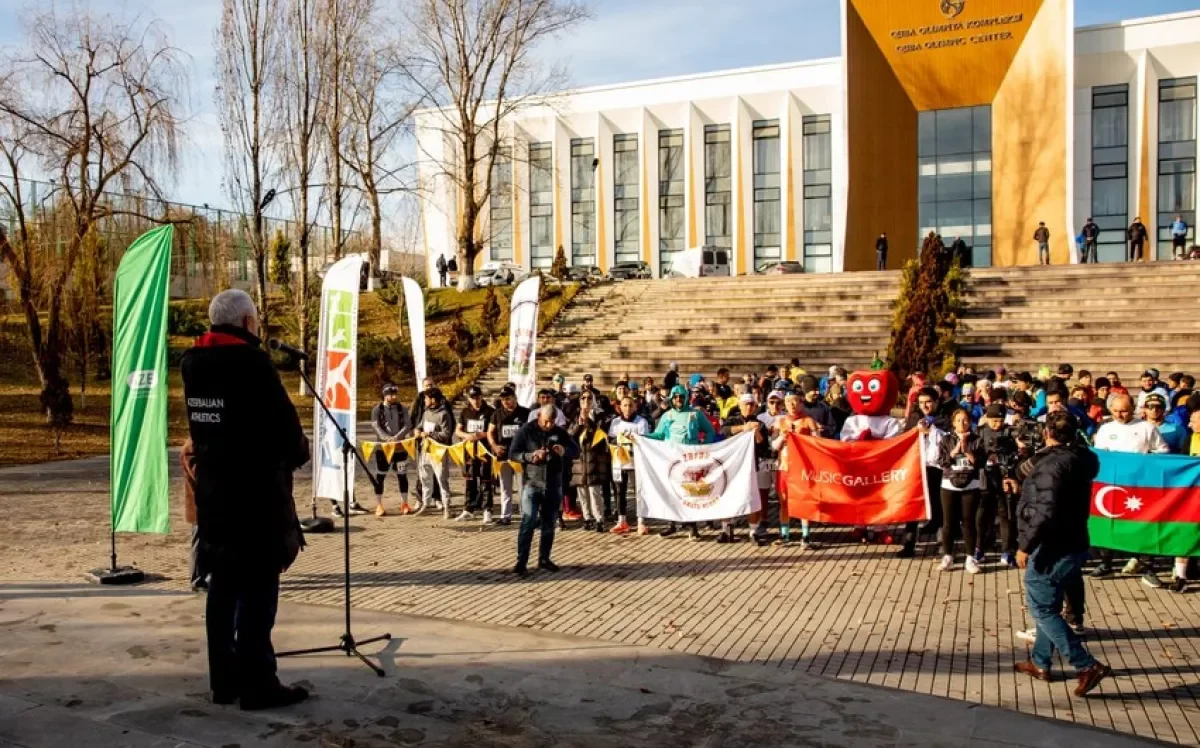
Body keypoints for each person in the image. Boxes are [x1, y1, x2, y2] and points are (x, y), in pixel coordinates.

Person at [180, 289, 309, 710]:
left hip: (214, 497)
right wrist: (296, 453)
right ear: (248, 324)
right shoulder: (253, 363)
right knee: (258, 593)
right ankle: (258, 687)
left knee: (221, 590)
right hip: (255, 500)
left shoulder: (192, 362)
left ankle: (225, 683)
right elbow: (287, 430)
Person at [1014, 412, 1111, 696]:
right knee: (1050, 607)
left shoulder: (1052, 466)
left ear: (1047, 433)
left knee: (1041, 608)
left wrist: (1025, 546)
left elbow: (1045, 510)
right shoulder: (1081, 458)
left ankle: (1085, 664)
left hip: (1053, 546)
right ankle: (1041, 663)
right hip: (1073, 540)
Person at [1091, 393, 1170, 586]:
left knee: (1144, 524)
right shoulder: (1105, 428)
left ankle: (1146, 565)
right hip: (1111, 485)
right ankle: (1106, 562)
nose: (1120, 414)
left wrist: (1146, 461)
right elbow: (1099, 454)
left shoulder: (1146, 428)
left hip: (1139, 486)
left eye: (1124, 410)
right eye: (1116, 410)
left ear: (1133, 408)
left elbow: (1163, 452)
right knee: (1108, 522)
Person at [509, 404, 580, 576]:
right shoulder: (526, 430)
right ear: (539, 415)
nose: (549, 425)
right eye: (546, 421)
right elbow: (513, 453)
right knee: (529, 521)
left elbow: (576, 450)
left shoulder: (560, 432)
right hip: (531, 484)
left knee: (549, 524)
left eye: (552, 422)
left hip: (553, 484)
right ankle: (521, 561)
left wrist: (564, 450)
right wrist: (530, 456)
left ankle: (544, 558)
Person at [646, 384, 718, 540]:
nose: (679, 399)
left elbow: (710, 431)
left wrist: (703, 447)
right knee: (671, 492)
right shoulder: (667, 416)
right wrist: (642, 438)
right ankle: (671, 525)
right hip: (671, 460)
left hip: (689, 460)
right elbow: (658, 435)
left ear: (686, 398)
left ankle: (693, 528)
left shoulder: (695, 414)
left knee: (689, 493)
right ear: (672, 398)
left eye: (681, 397)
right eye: (676, 397)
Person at [937, 408, 985, 573]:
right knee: (948, 522)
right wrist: (956, 450)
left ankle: (970, 557)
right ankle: (948, 556)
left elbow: (980, 463)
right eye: (958, 420)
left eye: (965, 420)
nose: (962, 423)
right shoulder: (945, 439)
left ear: (970, 422)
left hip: (971, 485)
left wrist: (967, 451)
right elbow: (942, 462)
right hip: (949, 485)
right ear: (953, 423)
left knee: (969, 522)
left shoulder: (977, 440)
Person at [570, 391, 612, 532]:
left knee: (594, 491)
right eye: (583, 398)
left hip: (594, 458)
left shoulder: (600, 415)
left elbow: (600, 434)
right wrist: (579, 424)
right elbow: (570, 436)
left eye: (589, 398)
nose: (586, 400)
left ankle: (599, 519)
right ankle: (587, 518)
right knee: (582, 491)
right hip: (579, 459)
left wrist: (587, 419)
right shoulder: (575, 416)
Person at [487, 386, 529, 526]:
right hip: (503, 456)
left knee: (523, 487)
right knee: (505, 487)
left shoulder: (525, 413)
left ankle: (525, 515)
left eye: (508, 399)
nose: (506, 402)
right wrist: (494, 446)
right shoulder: (497, 414)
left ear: (515, 398)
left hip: (519, 456)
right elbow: (490, 432)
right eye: (503, 399)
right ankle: (506, 515)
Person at [609, 395, 650, 535]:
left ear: (635, 407)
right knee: (620, 493)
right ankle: (622, 521)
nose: (627, 408)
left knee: (639, 493)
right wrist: (616, 442)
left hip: (635, 464)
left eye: (630, 405)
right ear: (620, 407)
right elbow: (611, 441)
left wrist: (635, 440)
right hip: (619, 464)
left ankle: (641, 522)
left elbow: (646, 443)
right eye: (624, 405)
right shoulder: (615, 423)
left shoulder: (641, 422)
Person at [368, 384, 412, 515]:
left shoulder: (402, 408)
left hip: (400, 448)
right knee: (380, 476)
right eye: (391, 394)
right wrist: (387, 438)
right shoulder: (377, 409)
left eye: (395, 394)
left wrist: (397, 437)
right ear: (385, 395)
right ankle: (379, 504)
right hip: (383, 449)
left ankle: (404, 503)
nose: (394, 397)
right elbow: (375, 426)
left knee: (402, 475)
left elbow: (408, 424)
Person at [456, 385, 495, 523]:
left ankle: (487, 509)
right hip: (469, 452)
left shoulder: (490, 411)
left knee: (486, 481)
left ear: (481, 396)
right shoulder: (465, 412)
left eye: (478, 397)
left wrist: (480, 435)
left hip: (485, 452)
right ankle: (468, 509)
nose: (476, 401)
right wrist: (467, 435)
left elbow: (493, 431)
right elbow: (458, 431)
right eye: (473, 398)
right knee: (470, 480)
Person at [417, 388, 456, 520]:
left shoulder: (444, 414)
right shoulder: (426, 412)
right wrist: (417, 431)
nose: (424, 401)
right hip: (425, 450)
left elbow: (446, 434)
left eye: (426, 398)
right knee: (425, 478)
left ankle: (447, 507)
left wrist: (430, 435)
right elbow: (420, 426)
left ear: (433, 399)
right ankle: (426, 504)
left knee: (441, 479)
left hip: (439, 452)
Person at [180, 439, 207, 591]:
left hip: (206, 504)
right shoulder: (191, 448)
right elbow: (199, 475)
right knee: (198, 541)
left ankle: (204, 575)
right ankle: (197, 579)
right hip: (200, 506)